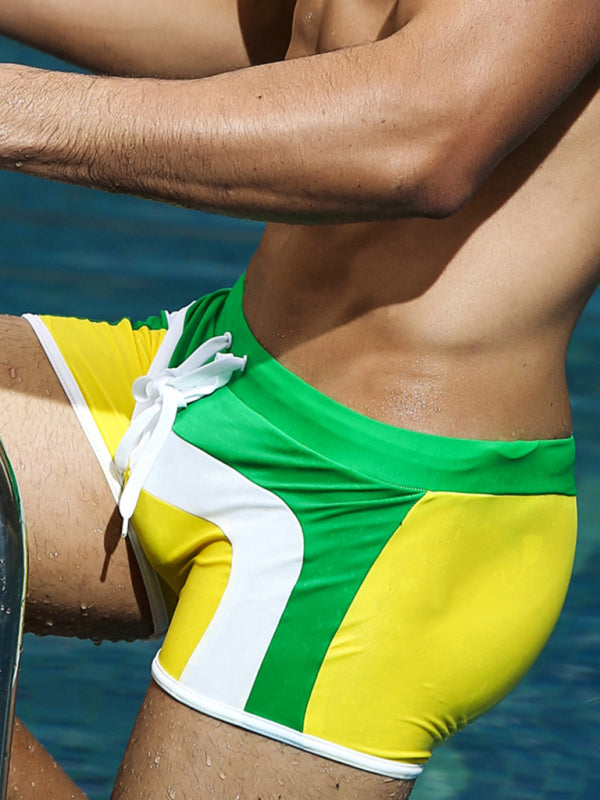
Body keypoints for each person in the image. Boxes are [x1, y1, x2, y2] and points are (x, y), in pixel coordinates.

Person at [1, 2, 599, 798]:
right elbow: (283, 37)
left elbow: (428, 130)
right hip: (211, 372)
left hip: (381, 513)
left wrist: (20, 109)